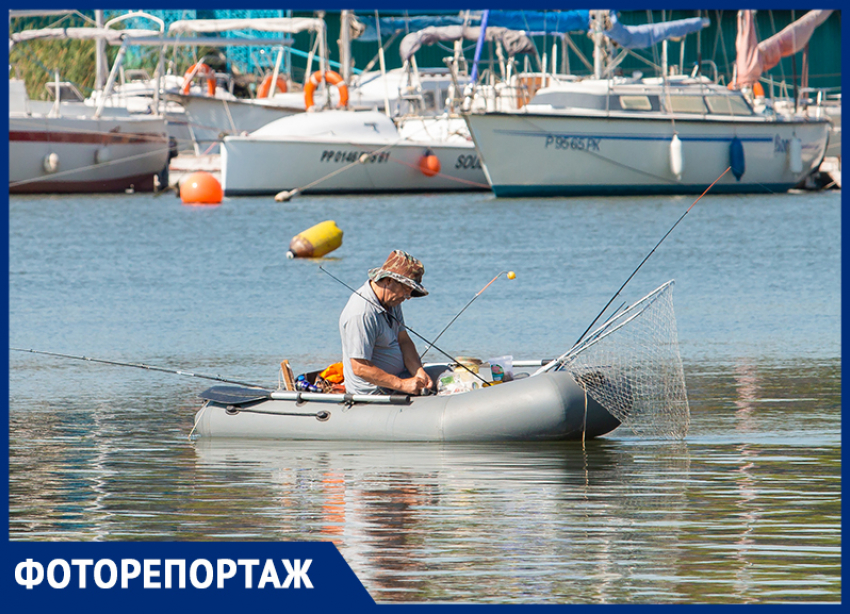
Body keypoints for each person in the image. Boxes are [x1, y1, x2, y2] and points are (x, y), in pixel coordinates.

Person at [339, 250, 434, 396]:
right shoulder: (362, 314)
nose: (407, 297)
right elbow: (360, 367)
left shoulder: (392, 300)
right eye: (406, 290)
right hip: (374, 392)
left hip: (399, 379)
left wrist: (418, 371)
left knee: (448, 377)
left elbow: (404, 341)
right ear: (388, 280)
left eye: (411, 292)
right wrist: (402, 385)